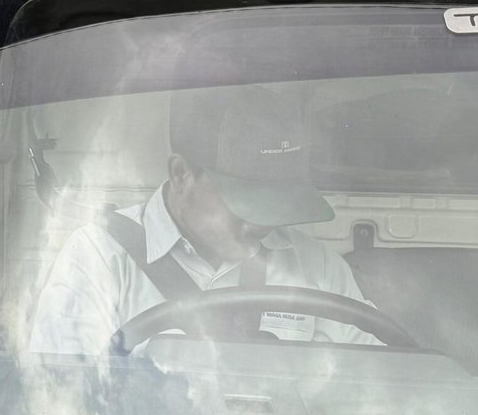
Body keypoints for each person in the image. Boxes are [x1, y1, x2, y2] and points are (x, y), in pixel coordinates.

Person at [34, 85, 380, 354]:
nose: (261, 225)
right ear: (181, 174)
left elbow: (378, 393)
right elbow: (65, 406)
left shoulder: (319, 269)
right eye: (245, 202)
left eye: (276, 204)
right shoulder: (98, 258)